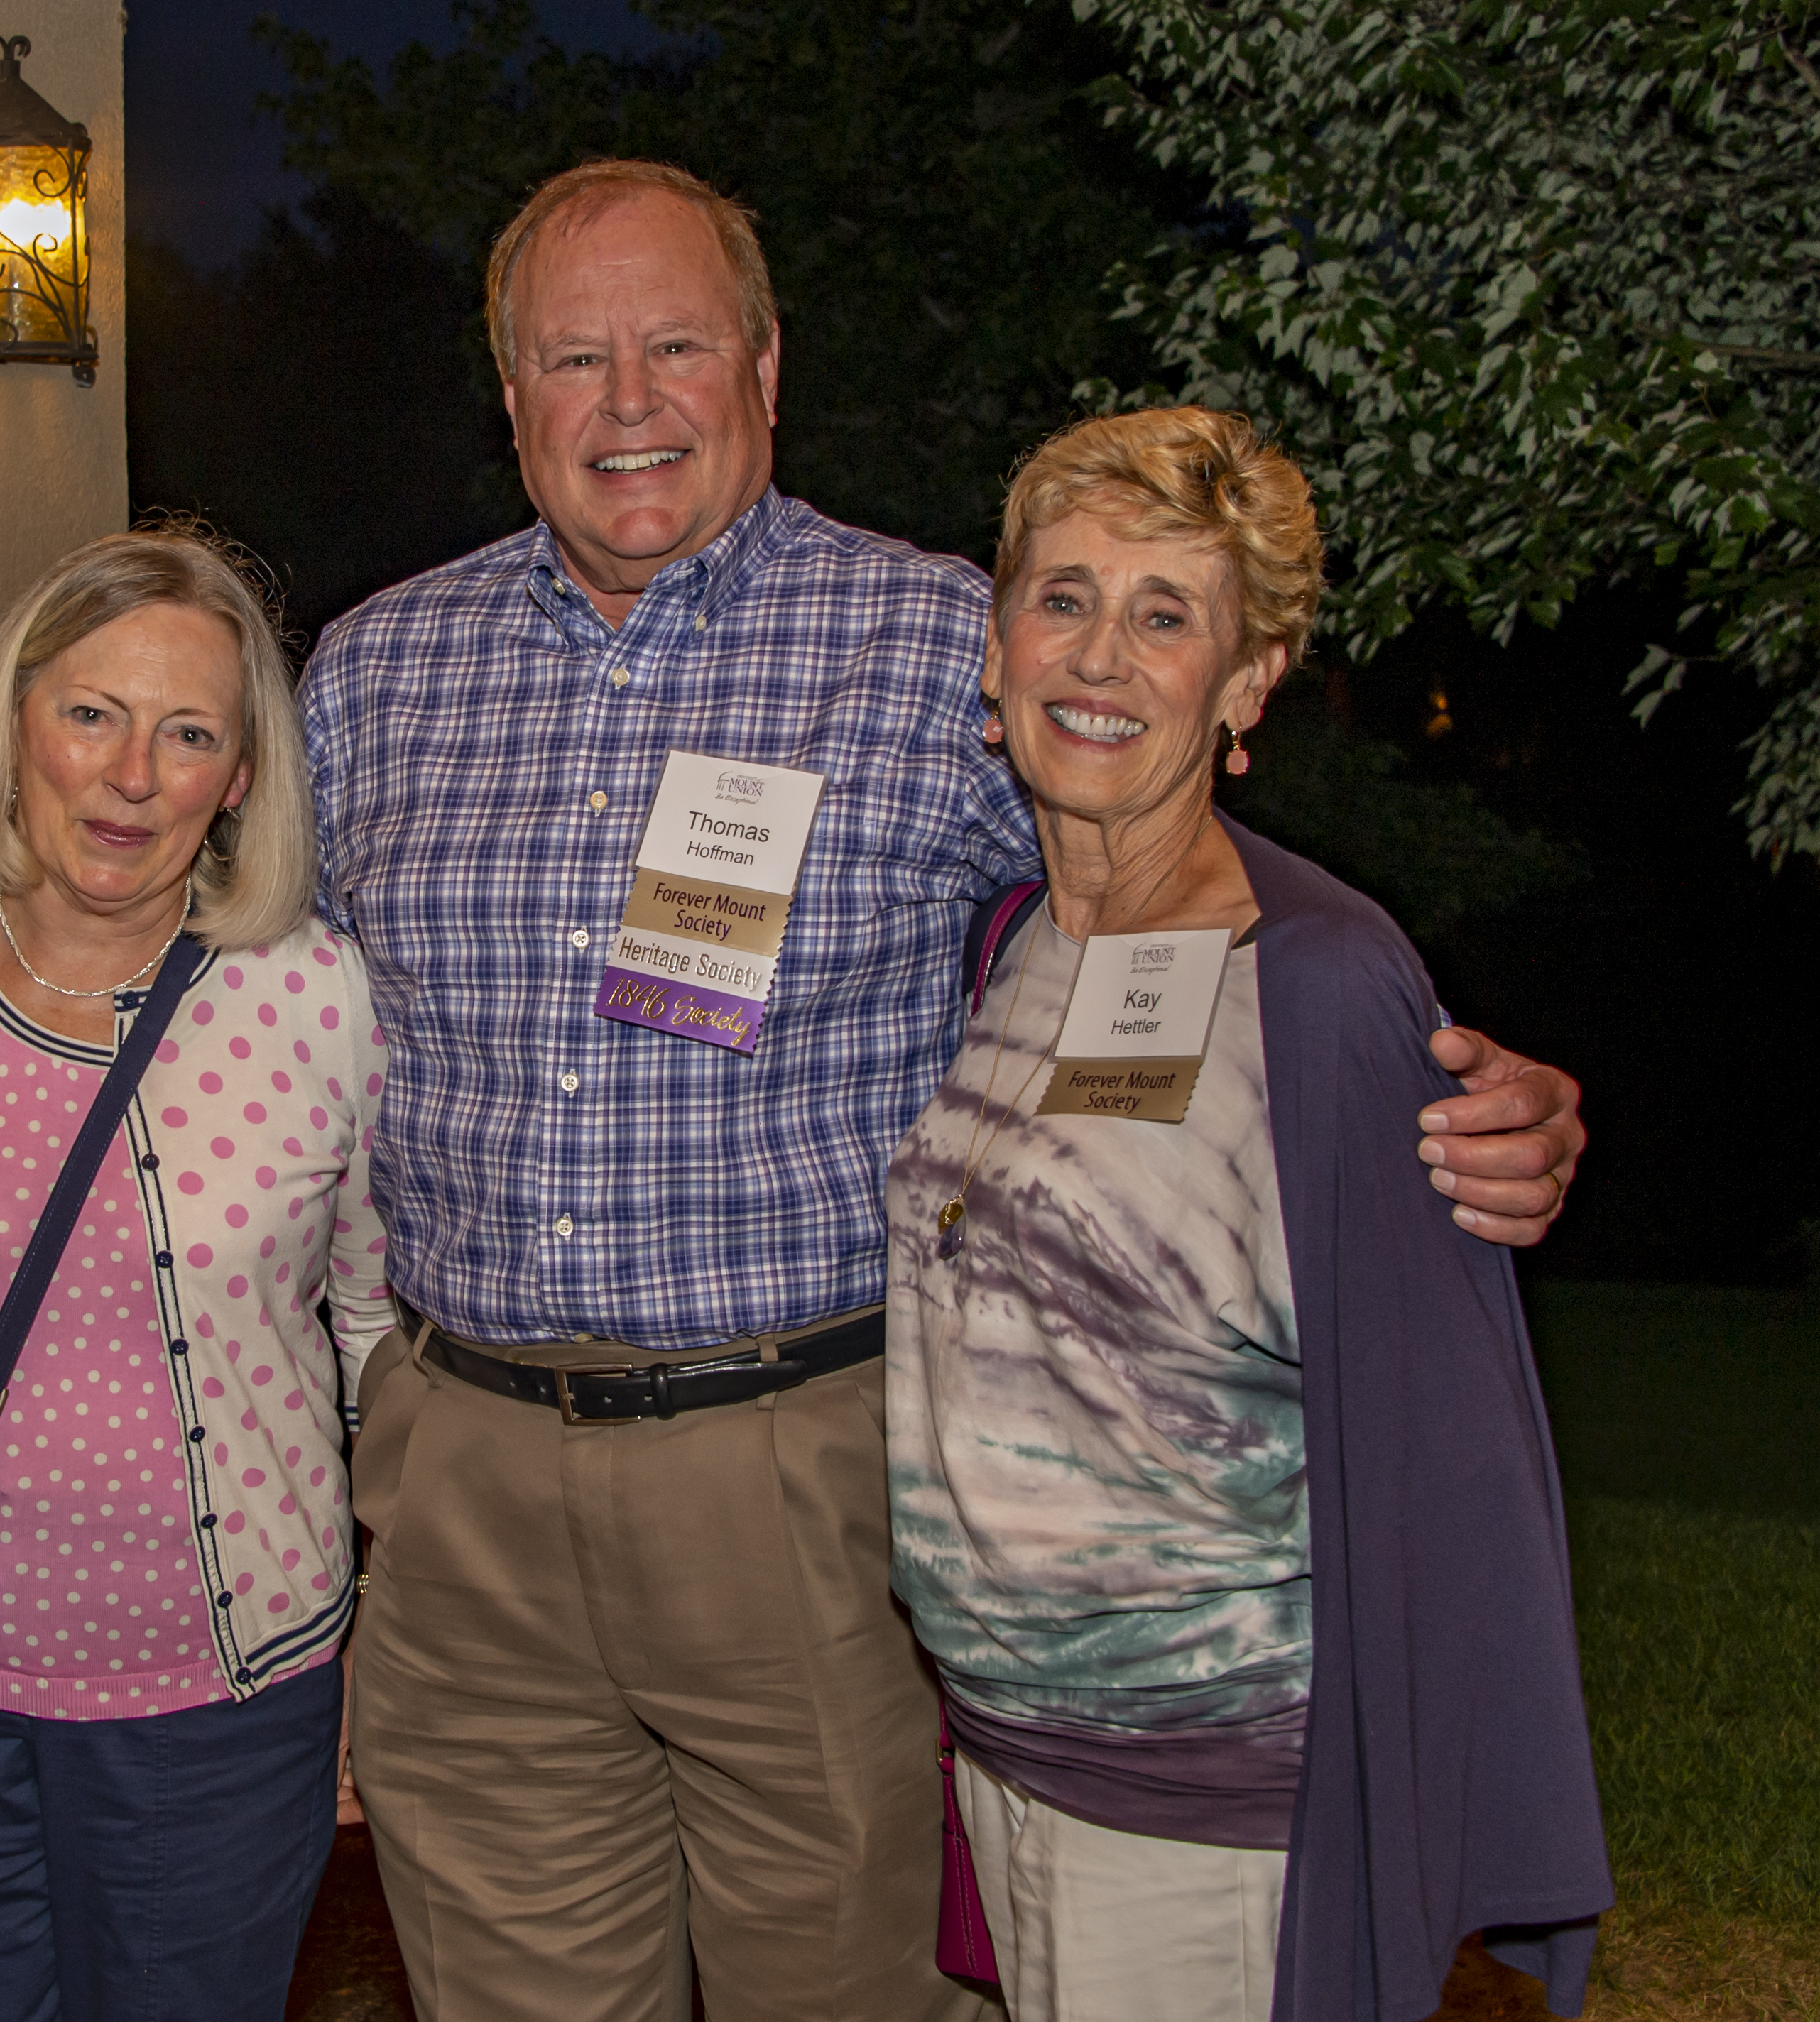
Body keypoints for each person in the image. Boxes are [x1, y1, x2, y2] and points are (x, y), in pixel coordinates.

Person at [303, 159, 1590, 2022]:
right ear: (509, 401)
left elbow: (1187, 887)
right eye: (573, 358)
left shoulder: (940, 649)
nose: (630, 398)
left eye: (676, 344)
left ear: (764, 366)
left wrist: (1459, 1073)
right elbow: (286, 1044)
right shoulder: (370, 677)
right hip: (465, 1478)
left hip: (800, 1471)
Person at [882, 408, 1608, 2022]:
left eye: (1165, 616)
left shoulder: (1322, 984)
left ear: (1244, 684)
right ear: (996, 645)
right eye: (1061, 595)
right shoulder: (1011, 936)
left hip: (1207, 1813)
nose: (1099, 653)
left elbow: (1441, 1446)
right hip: (1011, 1762)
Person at [0, 527, 390, 2022]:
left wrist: (386, 1630)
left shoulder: (314, 995)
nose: (129, 774)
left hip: (223, 1700)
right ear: (14, 717)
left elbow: (369, 1327)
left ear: (238, 779)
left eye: (187, 734)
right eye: (90, 713)